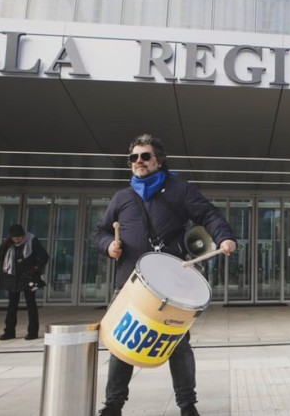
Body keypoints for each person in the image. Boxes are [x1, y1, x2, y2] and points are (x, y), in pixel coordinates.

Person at [94, 134, 237, 416]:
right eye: (134, 157)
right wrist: (108, 245)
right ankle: (113, 405)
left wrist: (224, 237)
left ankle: (187, 406)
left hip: (170, 286)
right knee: (122, 346)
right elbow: (99, 232)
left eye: (145, 156)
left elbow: (209, 214)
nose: (139, 162)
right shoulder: (122, 197)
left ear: (159, 160)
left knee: (178, 346)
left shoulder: (179, 190)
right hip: (129, 284)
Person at [0, 224, 49, 341]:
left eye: (19, 237)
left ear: (23, 235)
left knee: (31, 303)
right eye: (14, 238)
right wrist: (4, 246)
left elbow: (44, 257)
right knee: (12, 305)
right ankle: (9, 331)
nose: (17, 240)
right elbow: (1, 257)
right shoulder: (8, 244)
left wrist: (34, 269)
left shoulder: (32, 240)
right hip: (13, 277)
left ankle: (32, 332)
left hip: (30, 276)